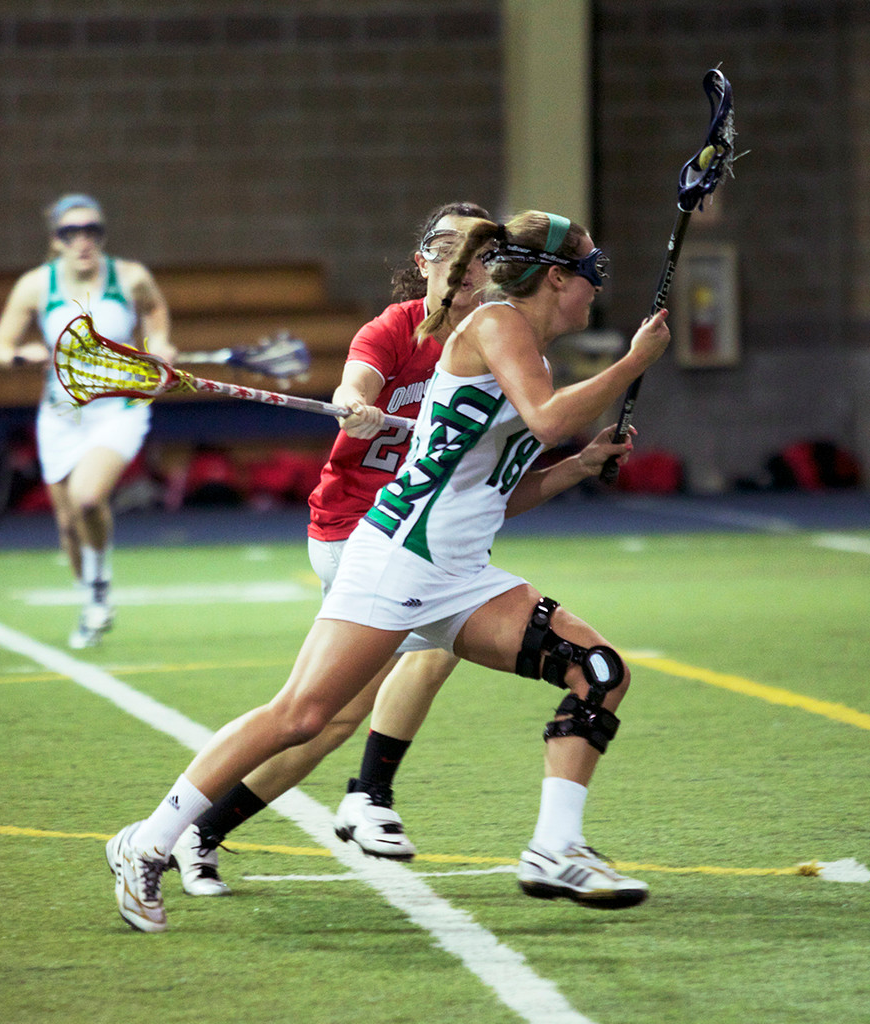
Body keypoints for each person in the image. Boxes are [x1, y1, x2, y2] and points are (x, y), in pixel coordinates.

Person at [107, 209, 671, 932]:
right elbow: (547, 422)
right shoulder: (498, 325)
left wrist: (581, 467)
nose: (595, 292)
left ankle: (554, 850)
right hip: (399, 555)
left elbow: (498, 496)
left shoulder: (524, 349)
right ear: (556, 278)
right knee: (300, 715)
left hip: (459, 571)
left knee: (597, 672)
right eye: (590, 277)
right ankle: (148, 842)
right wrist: (629, 364)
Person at [168, 202, 492, 895]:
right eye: (448, 248)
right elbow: (357, 377)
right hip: (354, 526)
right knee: (411, 661)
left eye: (481, 251)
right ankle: (366, 799)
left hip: (416, 531)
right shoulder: (394, 329)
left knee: (326, 717)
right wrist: (357, 401)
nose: (465, 264)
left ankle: (201, 830)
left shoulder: (499, 342)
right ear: (422, 263)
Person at [0, 194, 175, 649]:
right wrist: (19, 355)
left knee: (88, 497)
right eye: (71, 233)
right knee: (68, 524)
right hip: (61, 416)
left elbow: (154, 312)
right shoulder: (36, 285)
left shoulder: (130, 277)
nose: (83, 241)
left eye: (92, 230)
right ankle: (92, 596)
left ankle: (100, 586)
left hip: (119, 409)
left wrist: (160, 343)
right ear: (55, 240)